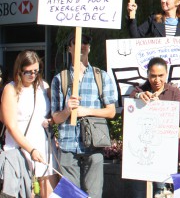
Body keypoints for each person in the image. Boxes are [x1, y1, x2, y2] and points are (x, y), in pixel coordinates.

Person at [51, 33, 117, 198]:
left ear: (89, 47)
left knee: (93, 194)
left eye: (85, 42)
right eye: (76, 42)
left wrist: (86, 111)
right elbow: (55, 118)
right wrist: (67, 110)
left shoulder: (101, 76)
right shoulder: (60, 79)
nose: (82, 45)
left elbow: (111, 111)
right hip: (68, 145)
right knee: (70, 195)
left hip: (93, 144)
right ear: (69, 48)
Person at [1, 51, 57, 198]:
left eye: (36, 71)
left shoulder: (43, 86)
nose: (33, 75)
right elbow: (11, 125)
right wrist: (31, 150)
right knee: (26, 193)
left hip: (44, 146)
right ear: (19, 70)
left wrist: (52, 120)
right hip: (20, 149)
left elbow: (52, 114)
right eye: (28, 72)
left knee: (49, 193)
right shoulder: (10, 89)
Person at [129, 57, 180, 197]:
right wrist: (139, 96)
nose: (157, 80)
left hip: (164, 152)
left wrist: (159, 106)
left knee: (161, 192)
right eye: (153, 76)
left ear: (166, 74)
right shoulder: (139, 90)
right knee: (139, 192)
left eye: (161, 76)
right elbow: (128, 108)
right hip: (142, 153)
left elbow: (179, 120)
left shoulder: (174, 92)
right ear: (147, 74)